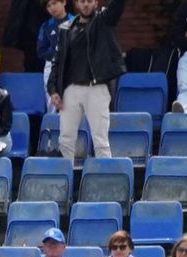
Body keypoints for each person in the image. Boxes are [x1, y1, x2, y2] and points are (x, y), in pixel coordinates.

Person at [46, 0, 123, 160]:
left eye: (89, 1)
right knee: (65, 141)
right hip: (70, 89)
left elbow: (117, 7)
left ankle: (105, 176)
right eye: (82, 1)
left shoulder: (103, 21)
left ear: (96, 3)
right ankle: (65, 176)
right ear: (76, 4)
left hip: (97, 87)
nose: (86, 4)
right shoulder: (66, 28)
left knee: (101, 141)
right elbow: (57, 61)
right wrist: (53, 90)